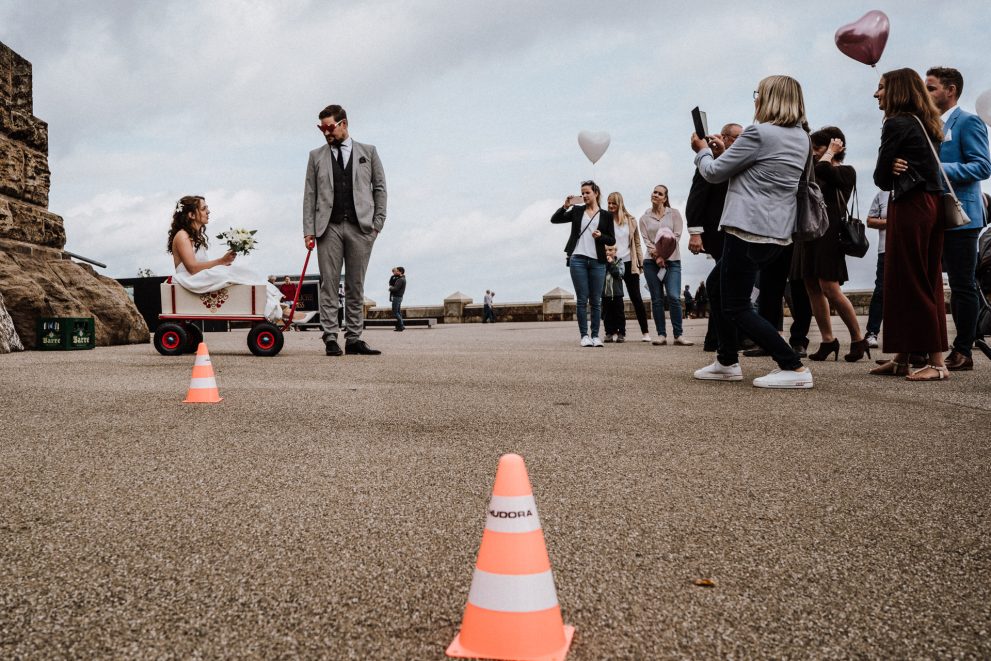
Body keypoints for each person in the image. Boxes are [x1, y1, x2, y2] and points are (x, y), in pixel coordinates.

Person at [690, 75, 813, 389]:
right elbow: (759, 171)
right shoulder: (801, 137)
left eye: (758, 94)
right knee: (717, 285)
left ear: (769, 98)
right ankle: (727, 359)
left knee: (736, 304)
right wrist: (722, 150)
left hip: (746, 228)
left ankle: (793, 366)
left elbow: (714, 174)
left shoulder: (759, 132)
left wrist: (703, 150)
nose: (755, 99)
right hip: (777, 230)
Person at [869, 68, 949, 381]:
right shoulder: (927, 123)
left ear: (897, 91)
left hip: (910, 204)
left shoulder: (896, 122)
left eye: (880, 88)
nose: (876, 94)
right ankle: (903, 357)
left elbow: (879, 177)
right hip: (931, 203)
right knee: (922, 276)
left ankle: (936, 363)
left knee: (909, 279)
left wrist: (889, 166)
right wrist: (893, 165)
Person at [303, 104, 387, 357]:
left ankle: (354, 338)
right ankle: (330, 337)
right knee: (329, 284)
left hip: (361, 228)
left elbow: (380, 188)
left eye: (329, 127)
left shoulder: (368, 152)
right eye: (322, 128)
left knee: (355, 284)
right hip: (328, 228)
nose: (326, 133)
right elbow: (310, 195)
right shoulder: (316, 156)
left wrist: (377, 224)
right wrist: (308, 230)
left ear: (344, 124)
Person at [926, 67, 991, 371]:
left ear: (950, 90)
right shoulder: (928, 125)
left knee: (962, 283)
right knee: (928, 280)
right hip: (931, 215)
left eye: (931, 88)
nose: (926, 93)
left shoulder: (968, 122)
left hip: (962, 216)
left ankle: (963, 349)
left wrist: (941, 170)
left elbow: (982, 166)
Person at [791, 126, 868, 362]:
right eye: (812, 148)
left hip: (830, 233)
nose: (814, 152)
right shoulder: (813, 169)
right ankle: (828, 340)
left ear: (836, 146)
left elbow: (824, 168)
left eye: (818, 147)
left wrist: (830, 153)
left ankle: (858, 338)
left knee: (830, 288)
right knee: (811, 287)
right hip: (808, 234)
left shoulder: (846, 171)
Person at [167, 196, 284, 323]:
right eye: (203, 208)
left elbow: (200, 266)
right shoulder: (182, 236)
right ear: (191, 214)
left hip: (197, 277)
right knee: (231, 273)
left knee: (240, 272)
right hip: (189, 279)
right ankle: (275, 307)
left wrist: (224, 262)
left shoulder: (195, 236)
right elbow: (192, 268)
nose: (208, 211)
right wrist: (221, 262)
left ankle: (273, 303)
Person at [687, 123, 742, 351]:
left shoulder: (733, 161)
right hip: (717, 231)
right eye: (737, 137)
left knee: (727, 284)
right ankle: (719, 339)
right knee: (723, 284)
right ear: (726, 138)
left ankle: (717, 339)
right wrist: (695, 233)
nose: (742, 141)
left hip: (733, 229)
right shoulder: (711, 162)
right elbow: (696, 196)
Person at [550, 180, 615, 347]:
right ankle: (584, 336)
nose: (585, 195)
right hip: (577, 258)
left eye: (587, 192)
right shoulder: (577, 211)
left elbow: (611, 239)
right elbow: (555, 220)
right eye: (582, 193)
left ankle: (595, 335)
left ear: (596, 193)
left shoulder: (606, 215)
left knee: (595, 300)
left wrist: (600, 236)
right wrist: (565, 206)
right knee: (581, 299)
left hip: (597, 260)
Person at [639, 185, 692, 346]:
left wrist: (664, 255)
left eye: (659, 193)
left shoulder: (674, 214)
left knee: (674, 297)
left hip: (672, 261)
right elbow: (646, 240)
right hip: (651, 263)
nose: (655, 194)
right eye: (654, 191)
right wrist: (657, 257)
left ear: (665, 198)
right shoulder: (644, 218)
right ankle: (661, 334)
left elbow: (676, 236)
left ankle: (678, 335)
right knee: (656, 299)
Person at [606, 192, 650, 341]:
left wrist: (640, 262)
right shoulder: (605, 220)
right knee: (613, 299)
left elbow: (637, 243)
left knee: (636, 297)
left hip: (629, 263)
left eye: (613, 203)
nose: (611, 206)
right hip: (613, 263)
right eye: (609, 203)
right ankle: (614, 331)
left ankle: (645, 332)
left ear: (620, 204)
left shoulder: (631, 221)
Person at [864, 190, 890, 348]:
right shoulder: (882, 195)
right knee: (881, 290)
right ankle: (872, 332)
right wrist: (892, 221)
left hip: (909, 249)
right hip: (885, 250)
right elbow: (870, 221)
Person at [602, 244, 626, 342]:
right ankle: (609, 333)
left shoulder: (619, 262)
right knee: (607, 315)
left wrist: (611, 264)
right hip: (605, 294)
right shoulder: (601, 263)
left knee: (619, 314)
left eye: (610, 250)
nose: (607, 252)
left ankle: (621, 333)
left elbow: (619, 274)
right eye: (605, 250)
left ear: (615, 251)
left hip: (617, 293)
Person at [389, 266, 406, 331]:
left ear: (400, 272)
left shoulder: (400, 279)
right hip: (399, 297)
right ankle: (400, 326)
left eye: (397, 271)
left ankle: (401, 326)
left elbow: (395, 289)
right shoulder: (403, 279)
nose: (396, 272)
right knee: (398, 312)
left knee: (395, 312)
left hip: (397, 297)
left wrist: (390, 288)